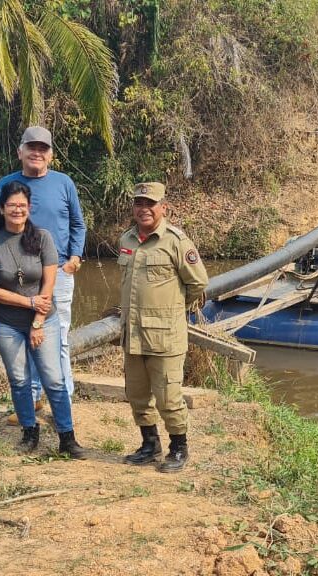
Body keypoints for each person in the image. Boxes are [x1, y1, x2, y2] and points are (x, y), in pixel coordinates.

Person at [0, 181, 85, 458]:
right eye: (12, 205)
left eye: (22, 205)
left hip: (44, 320)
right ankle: (29, 431)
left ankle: (67, 435)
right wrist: (27, 302)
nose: (17, 210)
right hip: (5, 323)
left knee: (53, 378)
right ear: (1, 209)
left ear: (29, 208)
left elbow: (48, 285)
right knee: (19, 379)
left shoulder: (43, 238)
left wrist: (37, 320)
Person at [0, 126, 85, 425]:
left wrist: (73, 257)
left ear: (51, 154)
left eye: (43, 148)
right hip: (17, 276)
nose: (37, 152)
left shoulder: (63, 182)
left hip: (56, 271)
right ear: (20, 151)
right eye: (31, 147)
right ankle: (30, 402)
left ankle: (63, 401)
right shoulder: (6, 185)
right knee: (23, 335)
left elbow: (77, 223)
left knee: (58, 337)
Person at [117, 182, 208, 473]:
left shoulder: (176, 242)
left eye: (150, 204)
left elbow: (197, 284)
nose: (144, 209)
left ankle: (178, 448)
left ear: (163, 208)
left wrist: (171, 312)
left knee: (169, 397)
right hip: (133, 334)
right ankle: (149, 444)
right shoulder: (127, 240)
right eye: (139, 203)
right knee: (137, 394)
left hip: (165, 336)